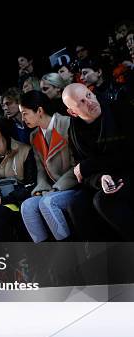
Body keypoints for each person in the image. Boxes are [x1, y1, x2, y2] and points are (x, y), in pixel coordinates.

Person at [62, 83, 134, 240]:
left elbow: (129, 154)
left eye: (88, 95)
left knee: (102, 200)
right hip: (105, 179)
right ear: (72, 112)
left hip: (129, 170)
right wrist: (100, 178)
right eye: (80, 102)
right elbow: (81, 173)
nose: (89, 102)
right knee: (76, 205)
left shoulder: (119, 110)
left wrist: (91, 165)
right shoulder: (74, 131)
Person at [18, 91, 77, 243]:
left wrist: (56, 188)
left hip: (74, 184)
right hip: (53, 189)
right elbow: (41, 170)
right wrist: (41, 189)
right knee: (27, 206)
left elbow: (76, 164)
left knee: (47, 203)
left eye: (25, 113)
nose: (22, 119)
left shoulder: (67, 124)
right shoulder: (34, 136)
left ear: (39, 110)